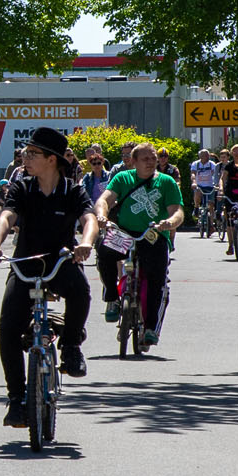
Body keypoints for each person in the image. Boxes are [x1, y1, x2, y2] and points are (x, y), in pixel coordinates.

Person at [0, 128, 97, 428]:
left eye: (32, 154)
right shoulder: (23, 188)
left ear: (51, 159)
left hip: (61, 262)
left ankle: (71, 346)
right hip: (25, 265)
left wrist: (85, 243)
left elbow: (89, 219)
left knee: (81, 291)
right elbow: (7, 216)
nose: (25, 158)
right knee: (7, 328)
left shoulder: (72, 190)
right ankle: (17, 399)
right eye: (25, 153)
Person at [94, 142, 185, 344]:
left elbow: (177, 211)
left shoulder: (166, 182)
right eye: (145, 159)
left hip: (152, 235)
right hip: (125, 233)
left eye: (153, 158)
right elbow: (104, 200)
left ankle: (151, 328)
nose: (151, 162)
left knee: (157, 280)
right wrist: (101, 216)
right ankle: (111, 298)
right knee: (104, 251)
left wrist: (170, 222)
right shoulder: (122, 178)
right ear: (133, 162)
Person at [190, 148, 218, 232]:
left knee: (211, 205)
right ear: (200, 156)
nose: (206, 157)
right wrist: (194, 182)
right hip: (200, 185)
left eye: (207, 155)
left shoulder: (212, 164)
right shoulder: (196, 164)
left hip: (210, 186)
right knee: (197, 192)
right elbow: (193, 174)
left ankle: (212, 224)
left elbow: (215, 174)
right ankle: (196, 207)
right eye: (204, 155)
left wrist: (216, 184)